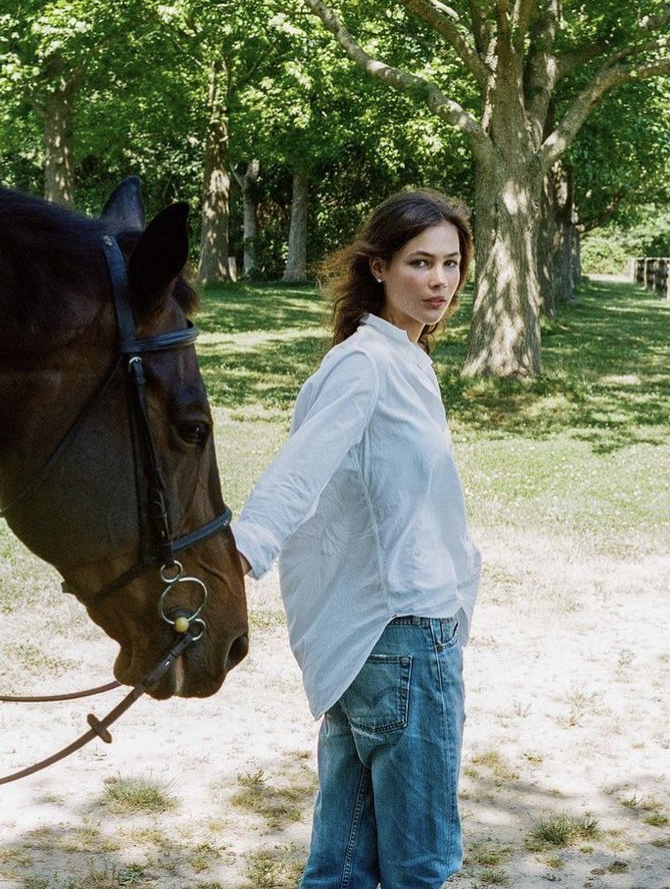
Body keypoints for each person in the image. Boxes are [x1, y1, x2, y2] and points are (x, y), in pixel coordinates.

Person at [232, 189, 482, 889]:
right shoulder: (366, 365)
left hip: (380, 636)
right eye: (418, 263)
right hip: (401, 632)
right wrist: (241, 551)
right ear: (377, 267)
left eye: (450, 263)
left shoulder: (401, 359)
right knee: (419, 863)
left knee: (343, 865)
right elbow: (298, 471)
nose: (438, 281)